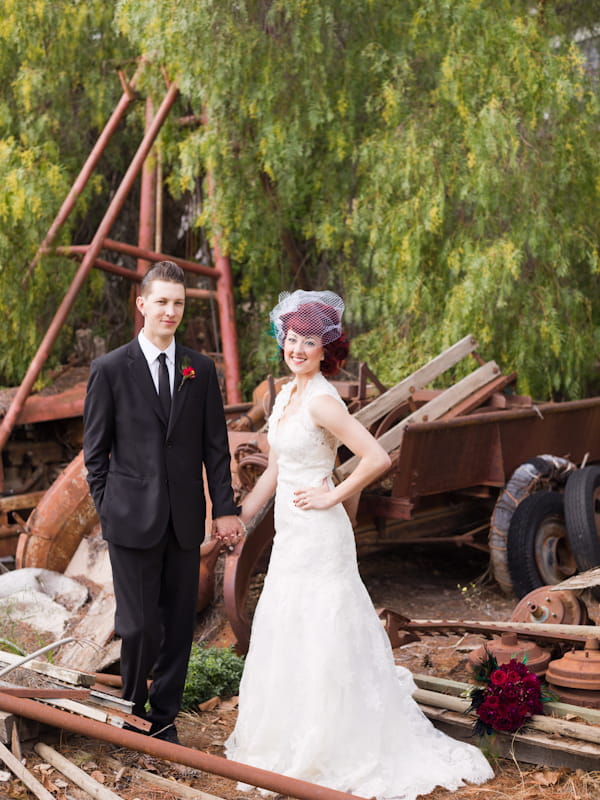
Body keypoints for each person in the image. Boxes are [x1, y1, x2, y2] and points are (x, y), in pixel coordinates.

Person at [225, 290, 493, 799]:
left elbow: (375, 458)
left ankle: (335, 742)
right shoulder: (286, 395)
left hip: (320, 535)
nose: (298, 348)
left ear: (326, 349)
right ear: (281, 341)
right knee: (288, 623)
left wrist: (333, 497)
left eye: (309, 341)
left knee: (326, 625)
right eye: (291, 339)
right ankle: (289, 733)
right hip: (290, 534)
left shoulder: (324, 399)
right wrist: (241, 515)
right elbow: (276, 470)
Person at [83, 261, 243, 744]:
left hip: (184, 520)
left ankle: (163, 718)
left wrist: (225, 508)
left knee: (178, 626)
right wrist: (109, 509)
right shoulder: (109, 369)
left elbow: (216, 447)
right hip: (130, 519)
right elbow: (95, 454)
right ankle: (128, 713)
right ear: (142, 305)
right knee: (137, 626)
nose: (170, 311)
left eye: (178, 303)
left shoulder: (200, 368)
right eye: (162, 302)